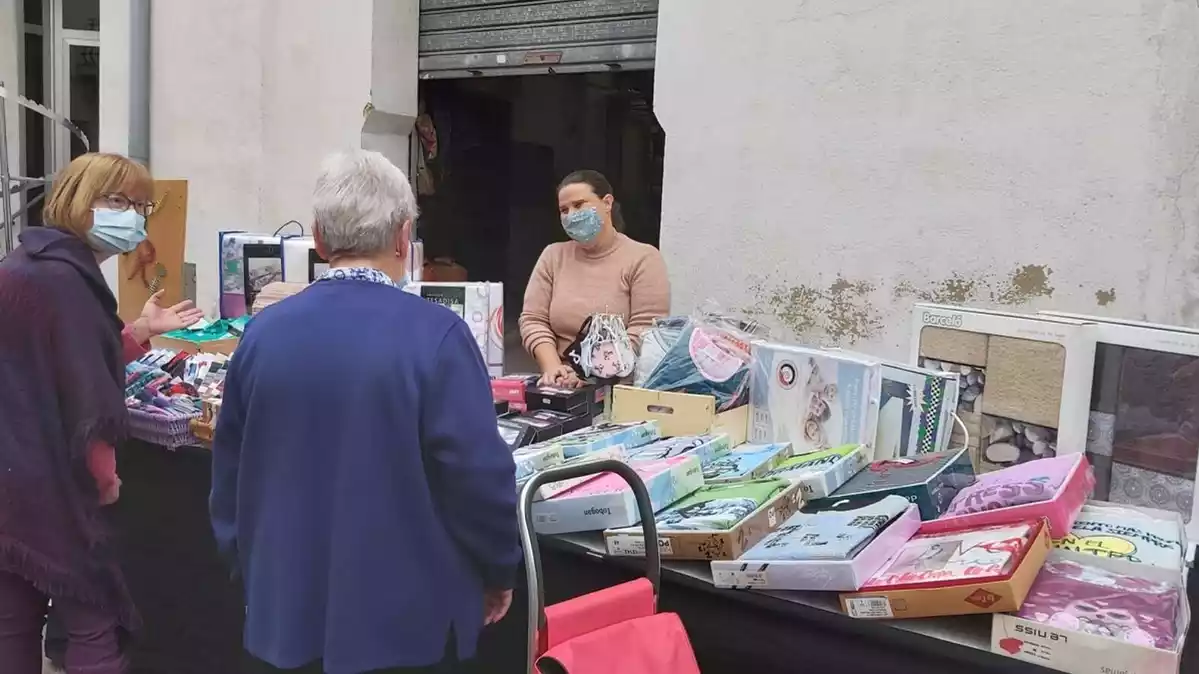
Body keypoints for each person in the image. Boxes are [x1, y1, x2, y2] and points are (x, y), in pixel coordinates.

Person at [210, 149, 520, 674]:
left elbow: (230, 468)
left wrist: (246, 564)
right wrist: (498, 568)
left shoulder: (263, 332)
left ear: (320, 238)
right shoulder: (438, 335)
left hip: (285, 602)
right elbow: (476, 477)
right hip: (403, 619)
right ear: (404, 238)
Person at [0, 152, 204, 673]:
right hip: (52, 484)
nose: (132, 215)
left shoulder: (26, 265)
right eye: (118, 200)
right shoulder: (69, 282)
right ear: (78, 199)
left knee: (14, 620)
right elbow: (87, 394)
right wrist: (104, 476)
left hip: (9, 480)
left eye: (140, 204)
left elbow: (58, 357)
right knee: (96, 617)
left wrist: (136, 333)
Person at [519, 169, 670, 387]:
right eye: (564, 209)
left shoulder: (643, 258)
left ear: (607, 203)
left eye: (579, 205)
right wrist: (554, 368)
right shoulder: (553, 256)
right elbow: (533, 320)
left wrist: (587, 371)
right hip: (559, 382)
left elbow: (645, 328)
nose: (571, 215)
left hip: (617, 385)